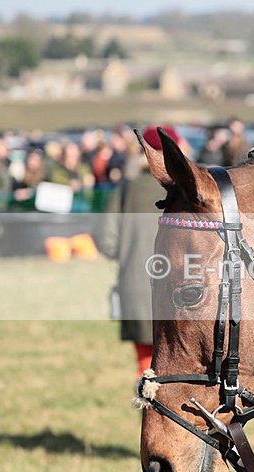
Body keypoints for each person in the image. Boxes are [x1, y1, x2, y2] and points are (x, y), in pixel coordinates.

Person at [92, 124, 181, 375]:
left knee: (147, 370)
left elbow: (104, 237)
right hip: (185, 289)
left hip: (136, 286)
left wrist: (129, 256)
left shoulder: (127, 188)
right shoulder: (189, 189)